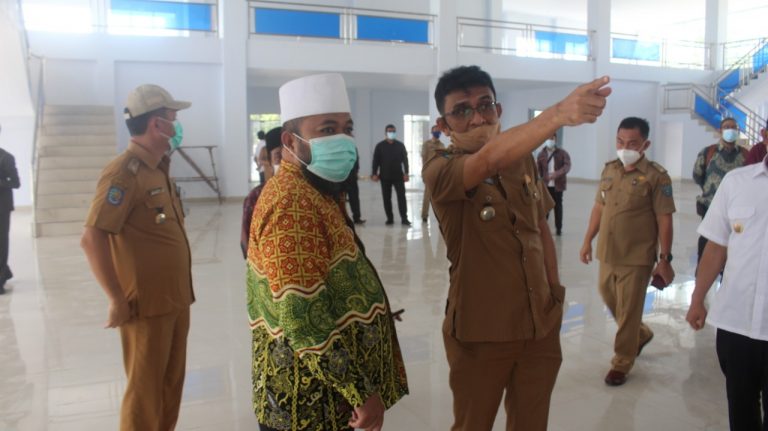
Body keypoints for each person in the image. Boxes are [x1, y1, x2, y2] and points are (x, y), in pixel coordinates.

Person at [422, 65, 611, 430]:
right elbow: (487, 160)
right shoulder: (439, 168)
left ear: (499, 110)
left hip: (539, 323)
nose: (477, 117)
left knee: (531, 423)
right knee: (472, 424)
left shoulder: (521, 158)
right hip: (481, 331)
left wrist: (553, 296)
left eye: (485, 105)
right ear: (444, 126)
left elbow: (539, 228)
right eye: (461, 111)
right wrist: (557, 115)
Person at [246, 73, 408, 431]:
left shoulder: (315, 190)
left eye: (347, 128)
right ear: (291, 140)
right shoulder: (291, 204)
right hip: (308, 407)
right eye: (327, 128)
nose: (343, 139)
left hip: (328, 402)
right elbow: (301, 317)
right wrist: (361, 391)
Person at [80, 84, 195, 430]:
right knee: (144, 393)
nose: (177, 126)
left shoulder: (158, 167)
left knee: (170, 386)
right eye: (173, 119)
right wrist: (115, 298)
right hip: (145, 305)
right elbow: (92, 237)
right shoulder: (123, 172)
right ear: (157, 125)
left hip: (174, 298)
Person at [580, 117, 675, 387]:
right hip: (608, 252)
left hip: (637, 256)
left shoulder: (657, 176)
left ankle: (622, 361)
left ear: (645, 144)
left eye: (632, 143)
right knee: (609, 298)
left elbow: (664, 219)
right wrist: (587, 240)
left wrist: (664, 259)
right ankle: (640, 334)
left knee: (629, 310)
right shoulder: (609, 170)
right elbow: (599, 207)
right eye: (620, 141)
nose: (625, 147)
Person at [686, 159, 768, 430]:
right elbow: (716, 247)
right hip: (736, 324)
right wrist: (697, 299)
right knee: (741, 409)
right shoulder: (736, 182)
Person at [692, 117, 748, 264]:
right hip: (710, 207)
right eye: (726, 127)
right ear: (720, 131)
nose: (730, 130)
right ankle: (702, 273)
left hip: (736, 210)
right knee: (706, 242)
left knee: (733, 246)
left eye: (733, 127)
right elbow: (697, 175)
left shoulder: (745, 155)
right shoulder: (708, 152)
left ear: (738, 131)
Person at [241, 127, 283, 259]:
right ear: (270, 161)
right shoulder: (257, 196)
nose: (286, 162)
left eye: (291, 155)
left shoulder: (313, 192)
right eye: (278, 156)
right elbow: (246, 240)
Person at [371, 124, 411, 226]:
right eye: (389, 131)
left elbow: (405, 160)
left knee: (401, 197)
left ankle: (404, 218)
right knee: (386, 198)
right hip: (385, 177)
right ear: (385, 133)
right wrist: (374, 173)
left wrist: (406, 173)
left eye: (393, 131)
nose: (391, 133)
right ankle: (389, 218)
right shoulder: (379, 146)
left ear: (395, 132)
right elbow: (375, 161)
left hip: (398, 176)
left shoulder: (400, 145)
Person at [536, 132, 571, 236]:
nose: (550, 140)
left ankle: (559, 228)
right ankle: (543, 229)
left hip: (558, 186)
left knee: (558, 207)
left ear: (555, 139)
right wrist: (539, 181)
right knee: (545, 208)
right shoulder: (541, 154)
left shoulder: (562, 153)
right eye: (548, 138)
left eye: (552, 138)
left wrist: (556, 174)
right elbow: (538, 170)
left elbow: (567, 166)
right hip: (546, 186)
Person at [0, 124, 20, 295]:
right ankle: (4, 272)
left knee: (1, 243)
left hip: (2, 207)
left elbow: (15, 183)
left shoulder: (6, 157)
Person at [420, 125, 445, 222]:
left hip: (439, 173)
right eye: (436, 131)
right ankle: (424, 215)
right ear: (432, 132)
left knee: (439, 195)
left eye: (439, 131)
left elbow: (444, 159)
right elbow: (423, 158)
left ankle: (440, 215)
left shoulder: (442, 145)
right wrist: (424, 172)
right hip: (429, 172)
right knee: (427, 195)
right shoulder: (426, 144)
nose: (437, 133)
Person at [343, 148, 365, 224]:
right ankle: (343, 218)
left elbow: (356, 160)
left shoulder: (352, 147)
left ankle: (357, 218)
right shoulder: (337, 146)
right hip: (341, 178)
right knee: (341, 199)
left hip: (352, 177)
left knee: (354, 198)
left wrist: (356, 171)